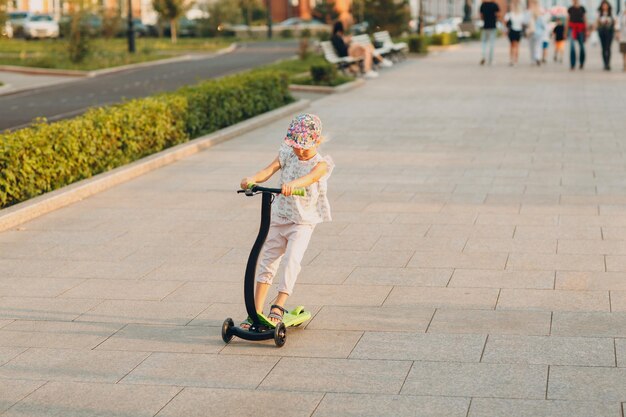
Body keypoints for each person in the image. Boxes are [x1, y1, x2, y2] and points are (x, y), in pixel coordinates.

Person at [239, 114, 333, 328]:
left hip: (303, 222)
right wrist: (252, 179)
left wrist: (293, 184)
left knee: (292, 260)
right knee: (267, 261)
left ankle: (279, 305)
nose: (299, 151)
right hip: (280, 216)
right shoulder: (287, 154)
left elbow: (310, 178)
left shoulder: (321, 164)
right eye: (297, 146)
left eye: (305, 147)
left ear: (317, 141)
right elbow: (268, 170)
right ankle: (255, 312)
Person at [566, 0, 587, 70]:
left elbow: (585, 19)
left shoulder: (582, 8)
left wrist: (586, 30)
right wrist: (565, 31)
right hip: (572, 28)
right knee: (572, 47)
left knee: (582, 47)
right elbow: (568, 20)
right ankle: (572, 64)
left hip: (580, 29)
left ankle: (581, 62)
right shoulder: (570, 9)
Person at [596, 0, 616, 70]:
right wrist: (601, 22)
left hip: (609, 32)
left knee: (608, 47)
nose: (605, 6)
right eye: (603, 5)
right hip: (602, 32)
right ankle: (605, 63)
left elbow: (614, 22)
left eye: (606, 5)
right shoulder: (599, 13)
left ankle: (608, 63)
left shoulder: (611, 13)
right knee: (603, 47)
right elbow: (597, 23)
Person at [526, 0, 547, 66]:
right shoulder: (540, 12)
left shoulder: (529, 12)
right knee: (538, 46)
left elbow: (525, 21)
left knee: (531, 47)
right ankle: (537, 57)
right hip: (539, 33)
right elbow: (543, 25)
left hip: (531, 32)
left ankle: (532, 60)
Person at [480, 0, 500, 65]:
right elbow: (498, 14)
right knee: (492, 44)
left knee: (483, 43)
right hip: (493, 26)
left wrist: (485, 19)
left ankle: (483, 56)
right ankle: (490, 59)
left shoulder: (483, 5)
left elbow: (481, 15)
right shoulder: (494, 5)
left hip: (485, 26)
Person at [505, 0, 525, 66]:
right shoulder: (521, 15)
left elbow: (505, 22)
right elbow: (523, 23)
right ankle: (516, 60)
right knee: (517, 46)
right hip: (518, 31)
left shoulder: (510, 14)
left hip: (512, 31)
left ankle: (511, 59)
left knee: (512, 46)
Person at [620, 1, 626, 70]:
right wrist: (618, 33)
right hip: (623, 36)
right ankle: (624, 65)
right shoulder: (622, 13)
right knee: (624, 51)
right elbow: (618, 23)